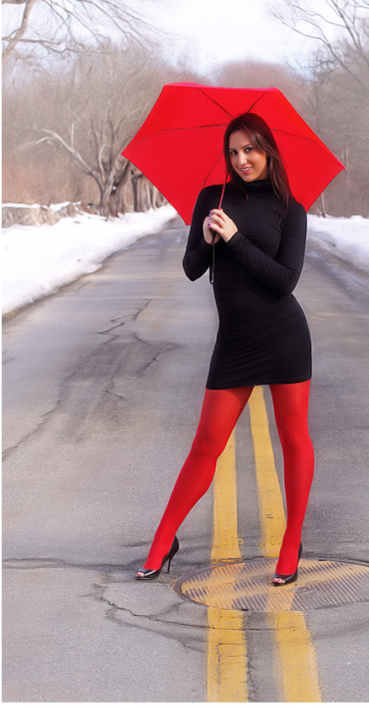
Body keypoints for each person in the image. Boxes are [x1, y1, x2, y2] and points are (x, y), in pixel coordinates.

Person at [135, 112, 314, 586]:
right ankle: (162, 540)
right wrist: (211, 240)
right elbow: (192, 268)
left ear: (268, 150)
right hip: (234, 341)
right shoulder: (211, 198)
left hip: (284, 336)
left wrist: (235, 241)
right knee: (206, 445)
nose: (241, 160)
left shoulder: (289, 210)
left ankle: (291, 541)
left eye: (250, 149)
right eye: (233, 152)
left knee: (293, 439)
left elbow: (285, 280)